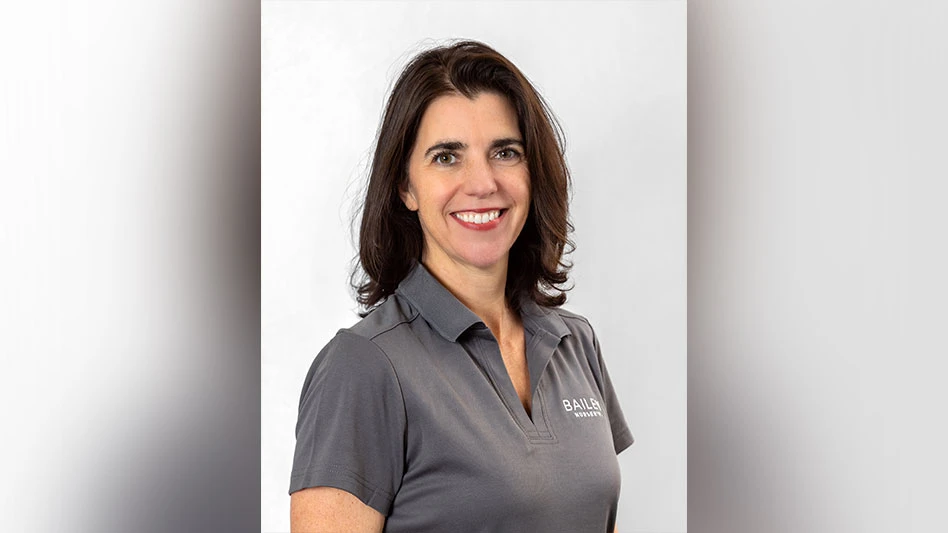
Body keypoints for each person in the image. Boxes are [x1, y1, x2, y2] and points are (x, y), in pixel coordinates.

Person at [289, 40, 634, 533]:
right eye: (447, 157)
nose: (482, 182)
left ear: (532, 174)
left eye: (506, 152)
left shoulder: (576, 343)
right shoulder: (362, 367)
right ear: (405, 187)